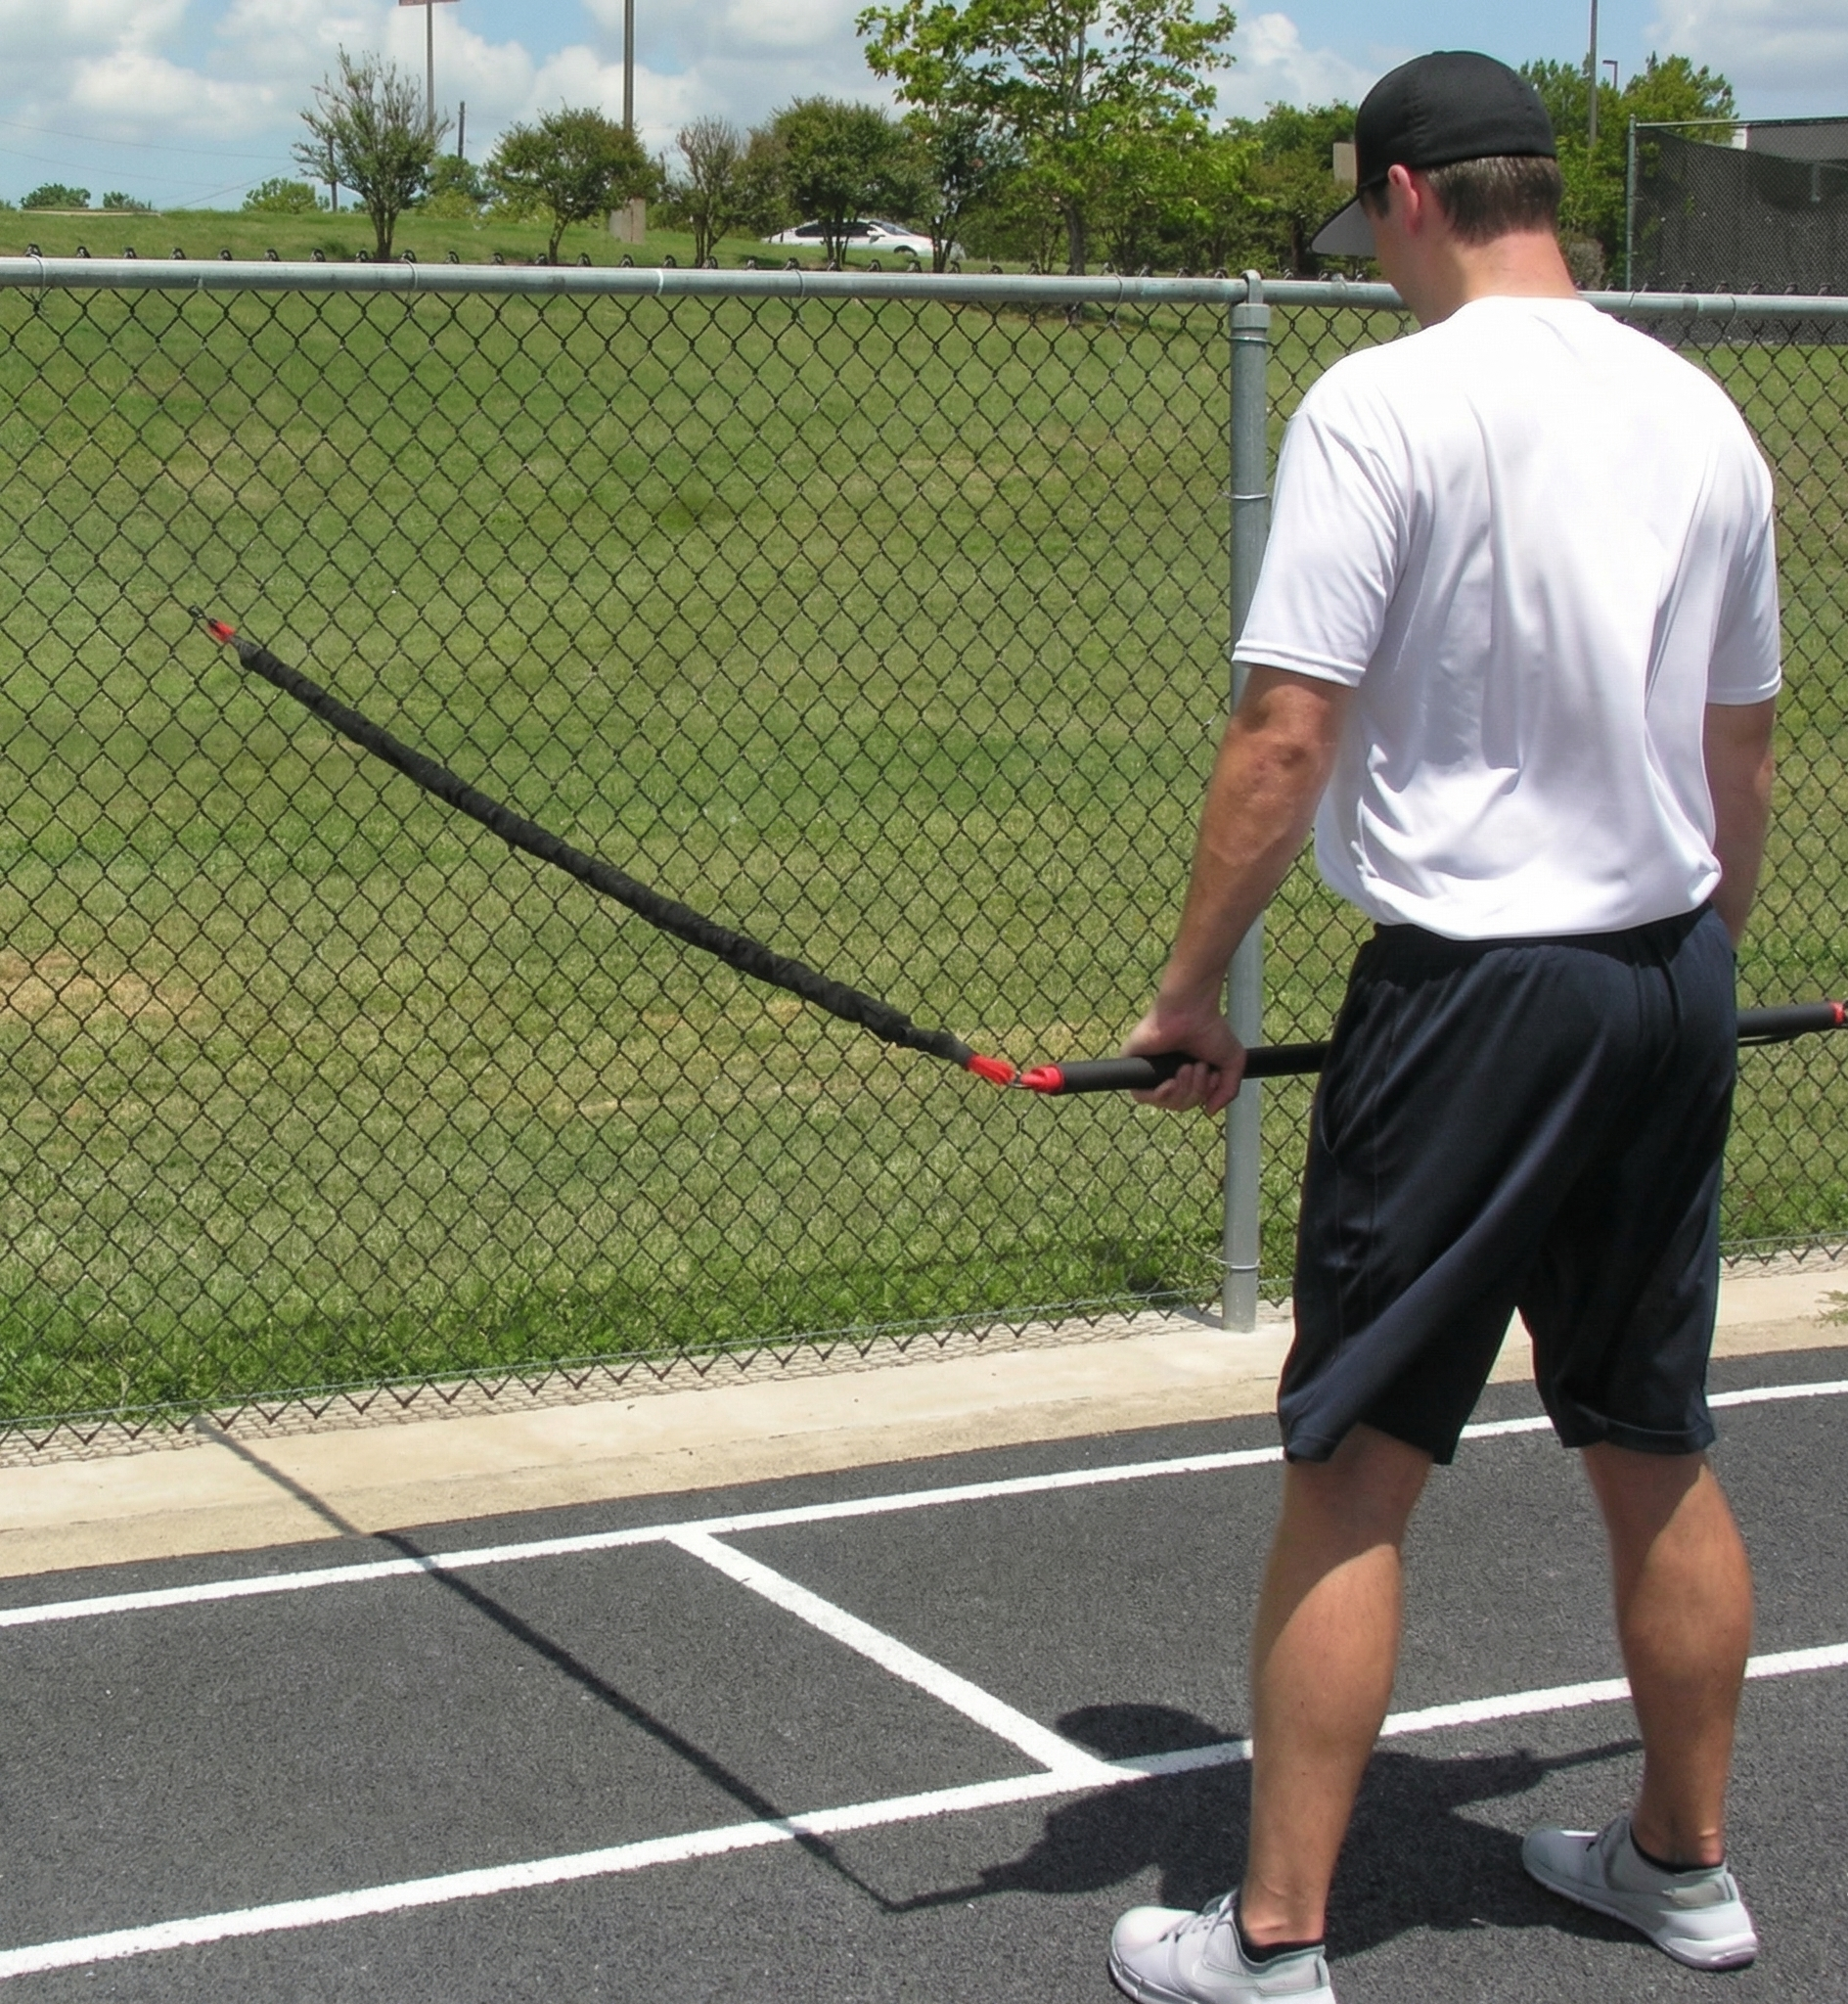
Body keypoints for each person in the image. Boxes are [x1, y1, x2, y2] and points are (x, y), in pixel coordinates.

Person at [1103, 50, 1781, 2004]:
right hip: (1664, 978)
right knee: (1648, 1434)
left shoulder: (1380, 403)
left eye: (1369, 226)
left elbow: (1284, 732)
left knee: (1352, 1463)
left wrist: (1187, 998)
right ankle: (1679, 1867)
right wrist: (1694, 968)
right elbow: (1738, 752)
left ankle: (1273, 1940)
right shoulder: (1699, 412)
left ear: (1405, 195)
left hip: (1475, 995)